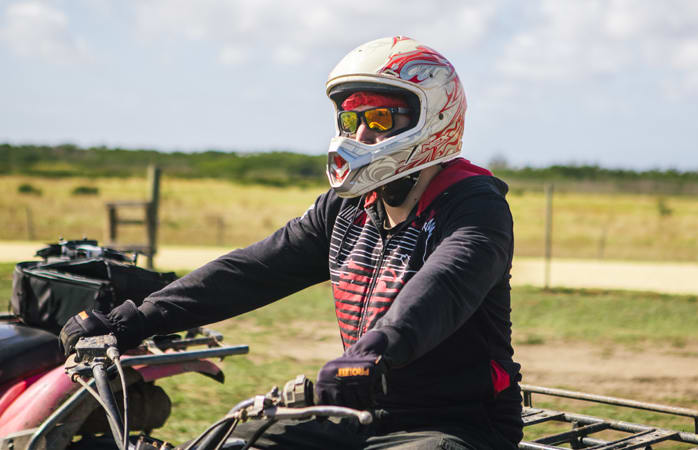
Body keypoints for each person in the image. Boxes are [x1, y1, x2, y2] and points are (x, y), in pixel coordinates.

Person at [60, 36, 522, 449]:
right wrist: (134, 320)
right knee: (235, 440)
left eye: (380, 118)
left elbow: (444, 286)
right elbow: (253, 270)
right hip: (358, 415)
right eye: (351, 117)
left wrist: (373, 351)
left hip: (454, 427)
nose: (360, 135)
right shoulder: (346, 210)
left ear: (433, 118)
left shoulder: (474, 208)